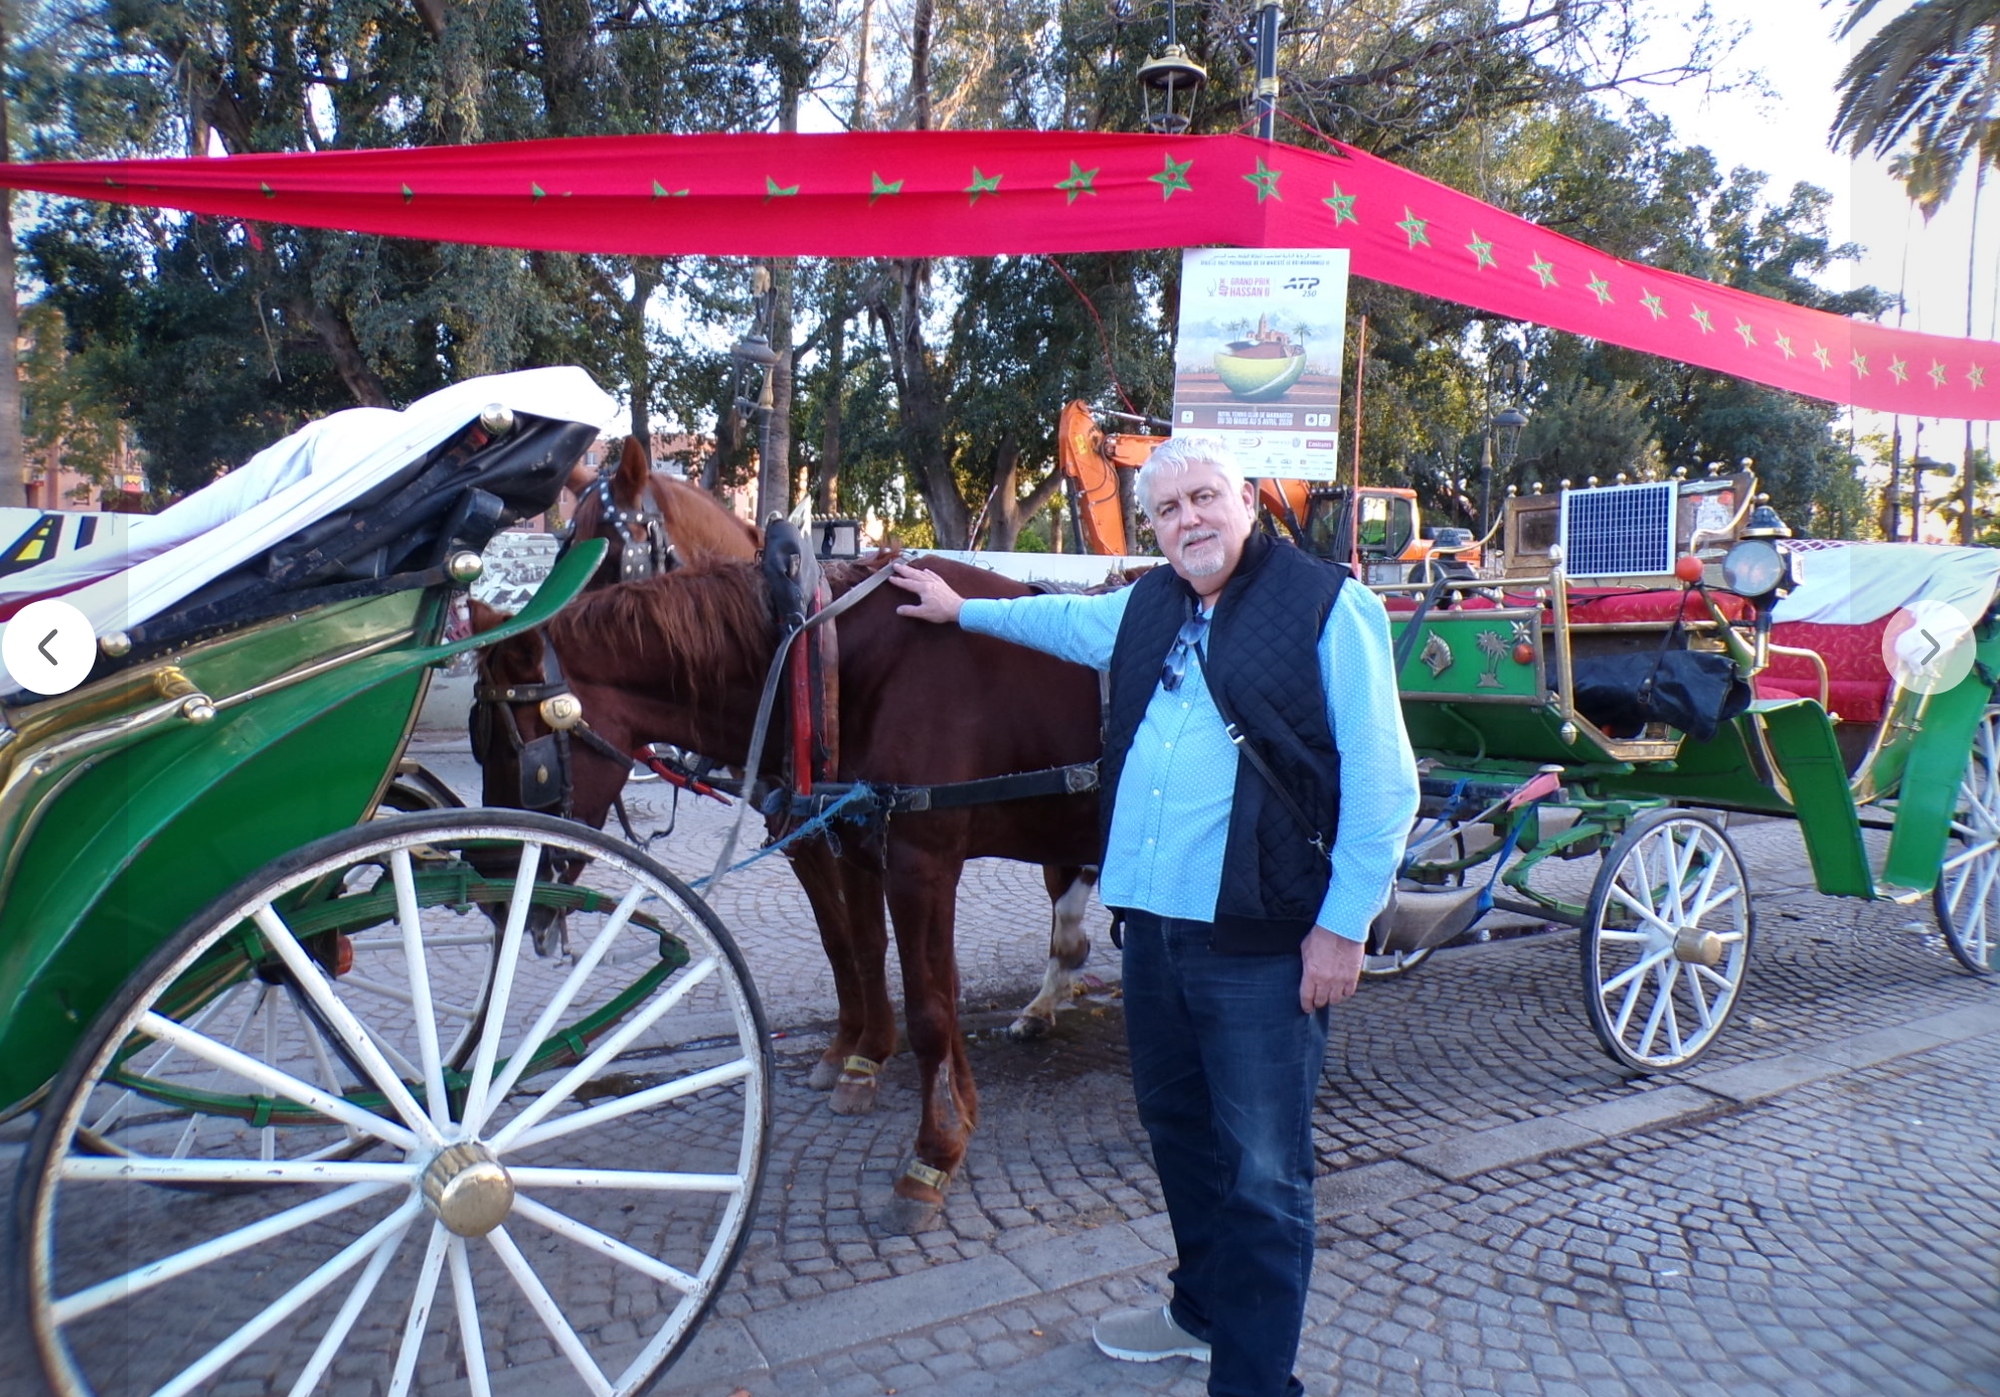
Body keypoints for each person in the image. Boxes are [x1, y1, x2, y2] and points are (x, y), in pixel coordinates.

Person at [888, 438, 1419, 1397]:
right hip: (1157, 938)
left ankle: (1256, 1382)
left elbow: (1386, 786)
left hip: (1262, 940)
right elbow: (1061, 621)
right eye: (1168, 510)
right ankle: (1200, 1313)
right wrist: (959, 607)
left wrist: (1343, 928)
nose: (1188, 521)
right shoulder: (1146, 606)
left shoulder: (1331, 606)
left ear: (1247, 498)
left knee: (1263, 1174)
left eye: (1204, 497)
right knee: (1177, 1132)